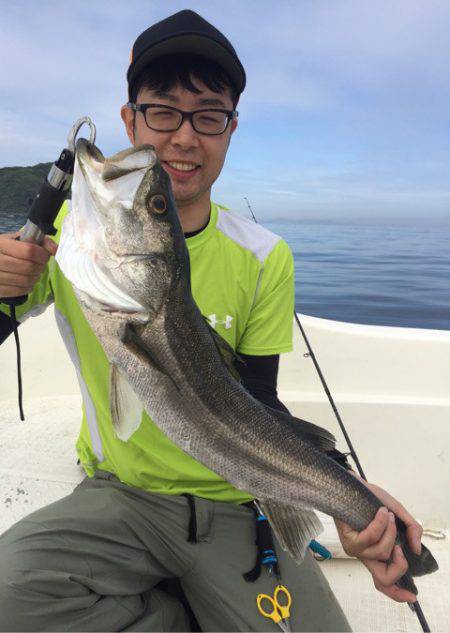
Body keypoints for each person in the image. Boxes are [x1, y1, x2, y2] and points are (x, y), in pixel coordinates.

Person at [0, 9, 423, 632]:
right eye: (163, 111)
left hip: (239, 500)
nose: (183, 138)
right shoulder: (71, 241)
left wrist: (348, 497)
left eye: (209, 116)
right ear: (130, 119)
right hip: (121, 494)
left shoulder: (263, 255)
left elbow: (259, 401)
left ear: (230, 129)